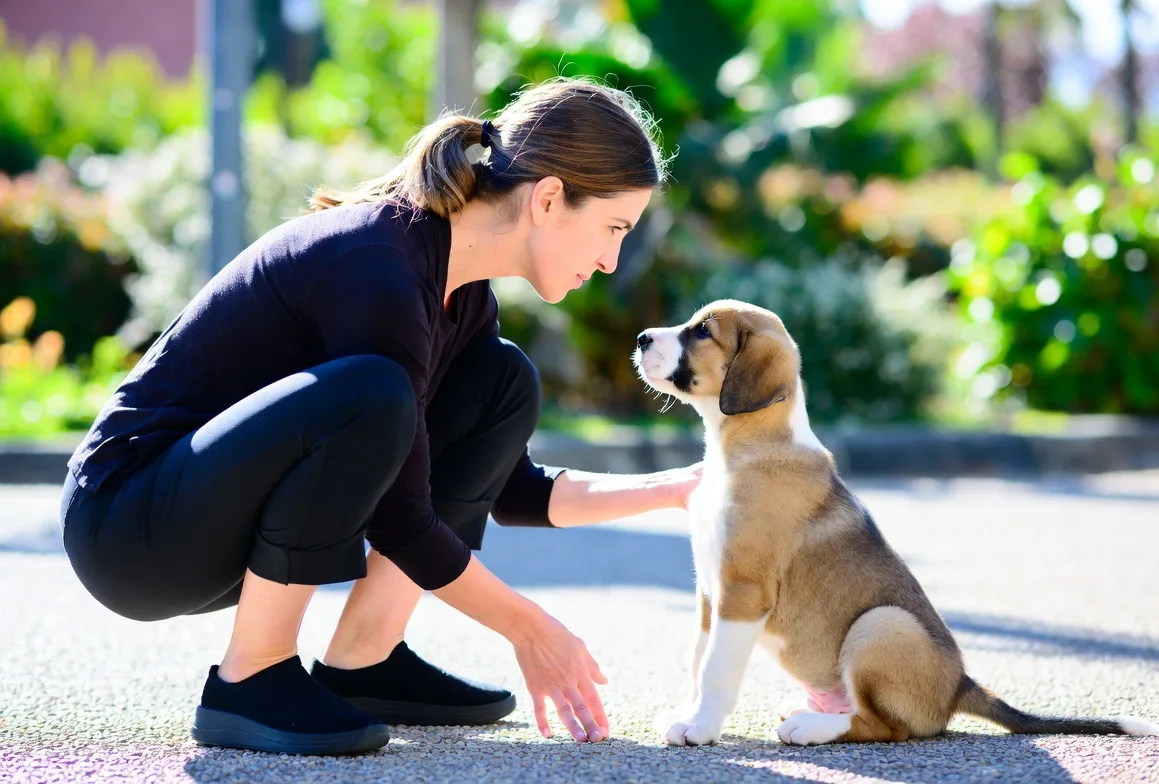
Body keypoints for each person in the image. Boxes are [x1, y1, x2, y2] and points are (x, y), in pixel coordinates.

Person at [59, 76, 702, 756]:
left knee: (501, 381)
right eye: (613, 229)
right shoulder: (381, 264)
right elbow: (401, 514)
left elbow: (511, 491)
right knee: (374, 393)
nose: (609, 261)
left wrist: (679, 489)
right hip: (129, 527)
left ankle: (365, 661)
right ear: (548, 198)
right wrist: (529, 628)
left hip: (207, 526)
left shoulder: (466, 297)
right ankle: (250, 676)